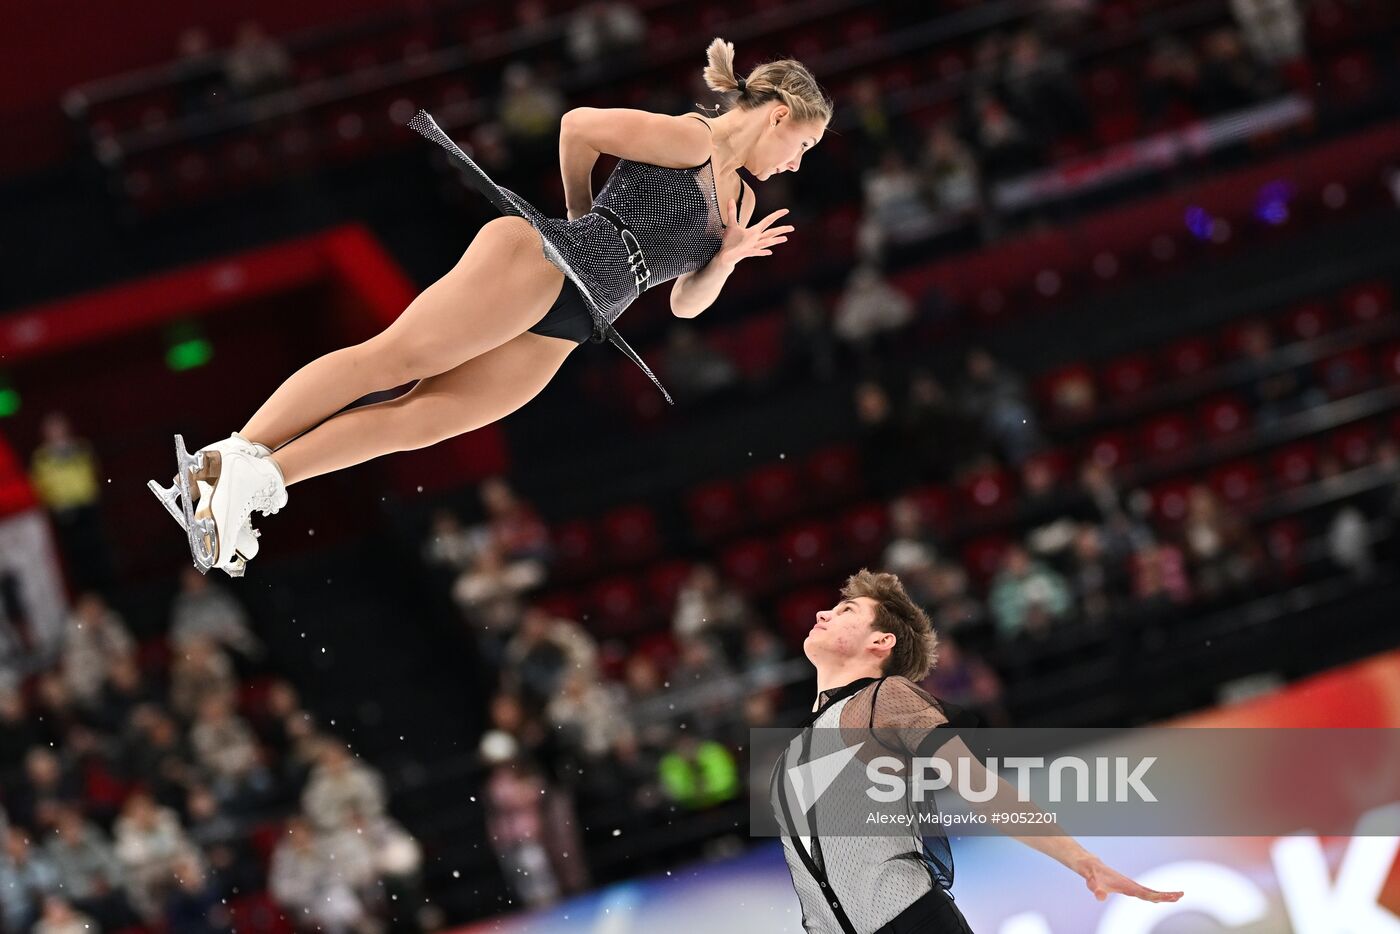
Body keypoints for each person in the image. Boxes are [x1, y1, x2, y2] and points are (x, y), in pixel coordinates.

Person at [150, 37, 828, 577]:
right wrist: (578, 225)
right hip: (537, 264)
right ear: (777, 117)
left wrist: (730, 258)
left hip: (572, 326)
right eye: (801, 146)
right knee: (394, 358)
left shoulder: (740, 205)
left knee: (420, 422)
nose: (797, 164)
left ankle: (253, 482)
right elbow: (578, 128)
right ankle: (228, 458)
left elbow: (684, 304)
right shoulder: (691, 141)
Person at [772, 569, 1181, 933]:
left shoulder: (885, 697)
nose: (822, 614)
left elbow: (982, 788)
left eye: (846, 611)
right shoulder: (790, 750)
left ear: (881, 641)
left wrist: (1081, 859)